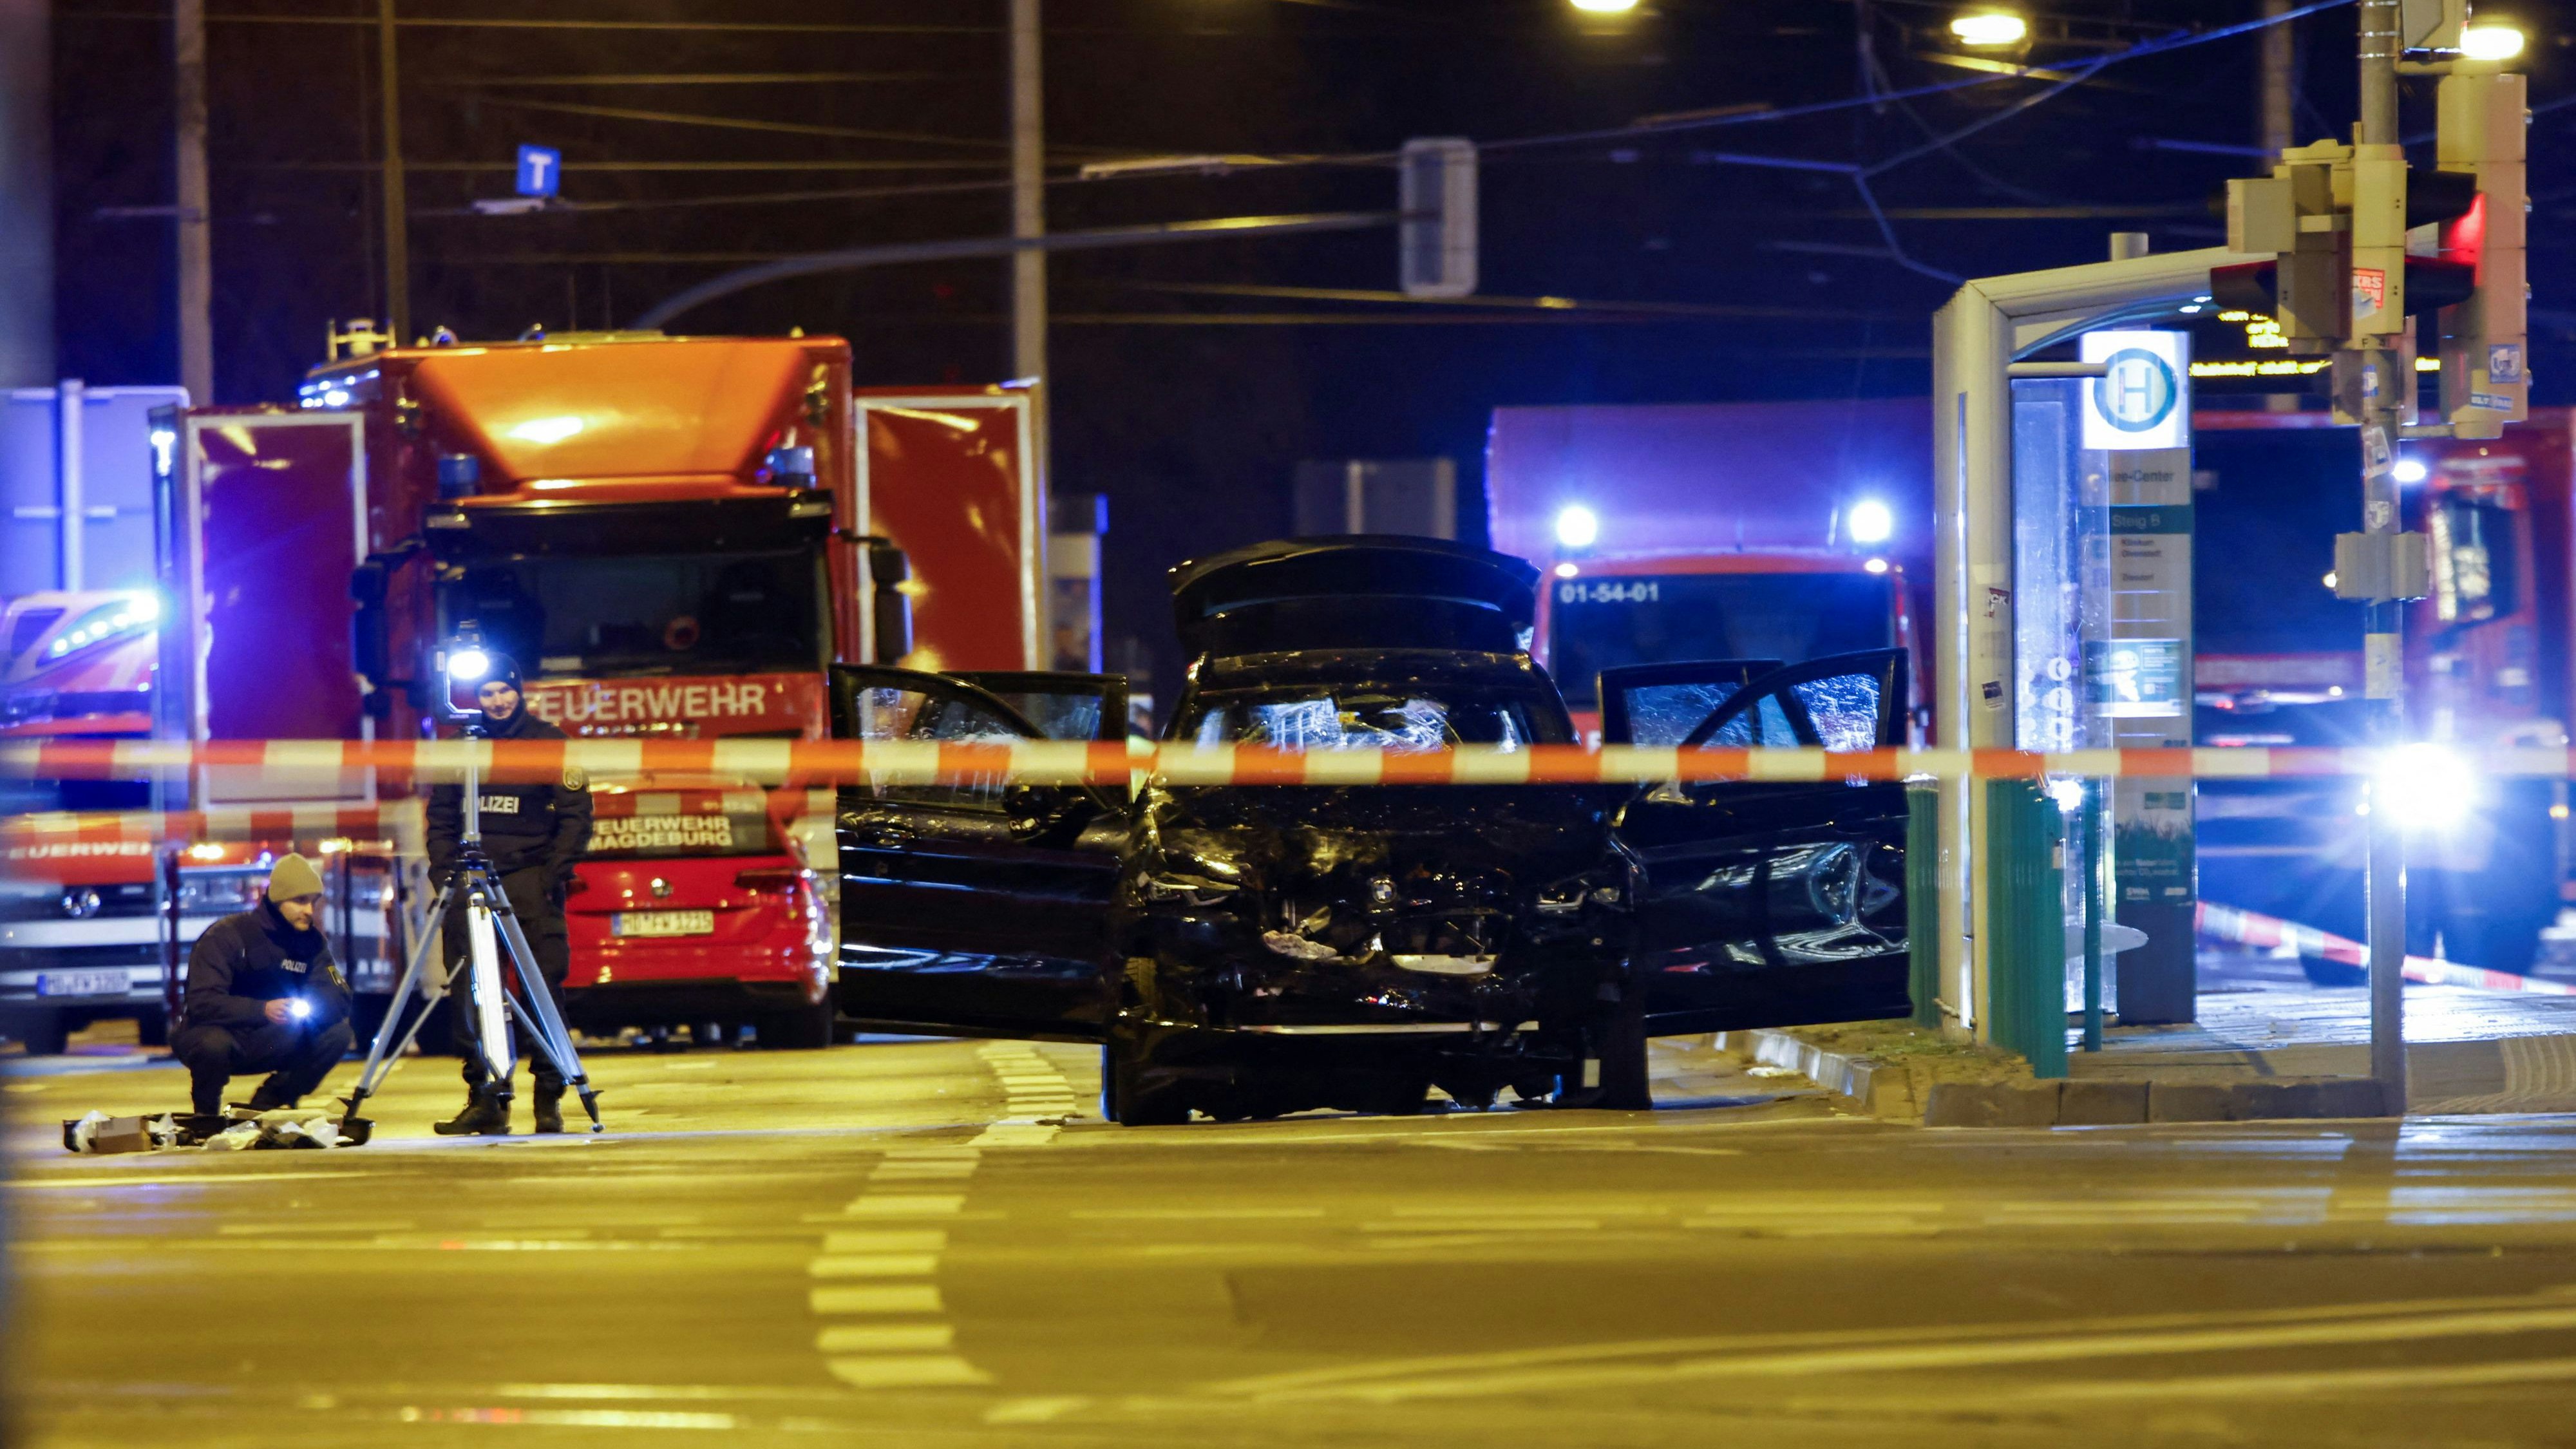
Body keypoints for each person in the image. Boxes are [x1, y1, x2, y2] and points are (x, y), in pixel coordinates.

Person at [425, 656, 592, 1135]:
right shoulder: (460, 749)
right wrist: (445, 875)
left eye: (505, 691)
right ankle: (486, 1099)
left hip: (528, 880)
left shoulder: (549, 742)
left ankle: (548, 1096)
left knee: (541, 990)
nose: (497, 701)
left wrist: (550, 874)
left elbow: (577, 814)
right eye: (487, 693)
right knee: (471, 994)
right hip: (469, 883)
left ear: (519, 691)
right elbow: (440, 818)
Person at [171, 853, 354, 1116]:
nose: (309, 911)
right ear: (278, 899)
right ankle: (207, 1113)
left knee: (338, 1035)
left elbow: (338, 997)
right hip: (223, 1034)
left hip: (271, 1039)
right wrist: (262, 1009)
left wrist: (308, 1008)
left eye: (313, 902)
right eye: (300, 901)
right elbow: (202, 1001)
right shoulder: (228, 935)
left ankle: (272, 1099)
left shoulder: (311, 943)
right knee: (211, 1045)